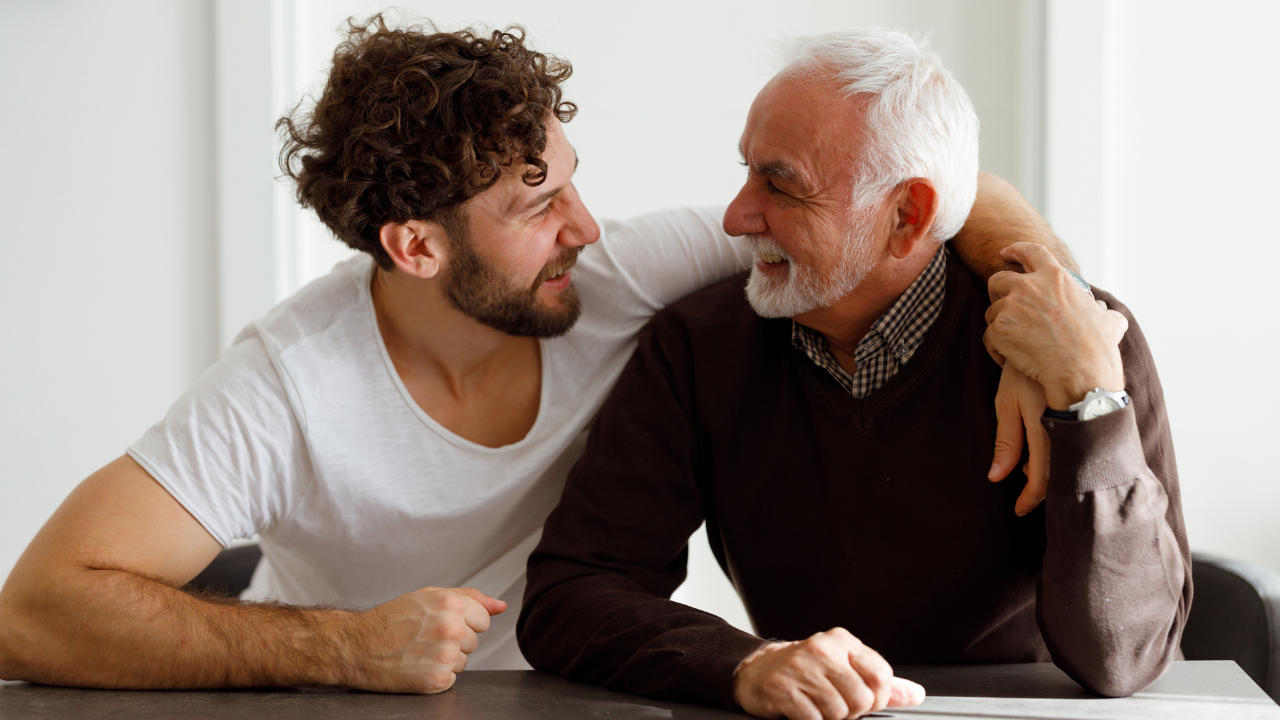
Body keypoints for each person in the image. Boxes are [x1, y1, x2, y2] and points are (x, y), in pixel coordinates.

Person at [0, 19, 1074, 693]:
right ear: (415, 247)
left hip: (588, 694)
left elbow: (921, 195)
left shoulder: (614, 274)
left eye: (569, 177)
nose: (586, 225)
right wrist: (338, 650)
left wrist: (1043, 315)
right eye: (535, 202)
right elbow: (34, 610)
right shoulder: (287, 387)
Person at [518, 29, 1190, 720]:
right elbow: (572, 592)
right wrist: (743, 663)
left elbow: (1125, 659)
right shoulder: (698, 346)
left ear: (908, 215)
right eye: (746, 171)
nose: (736, 215)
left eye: (781, 185)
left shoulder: (1082, 343)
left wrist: (1089, 405)